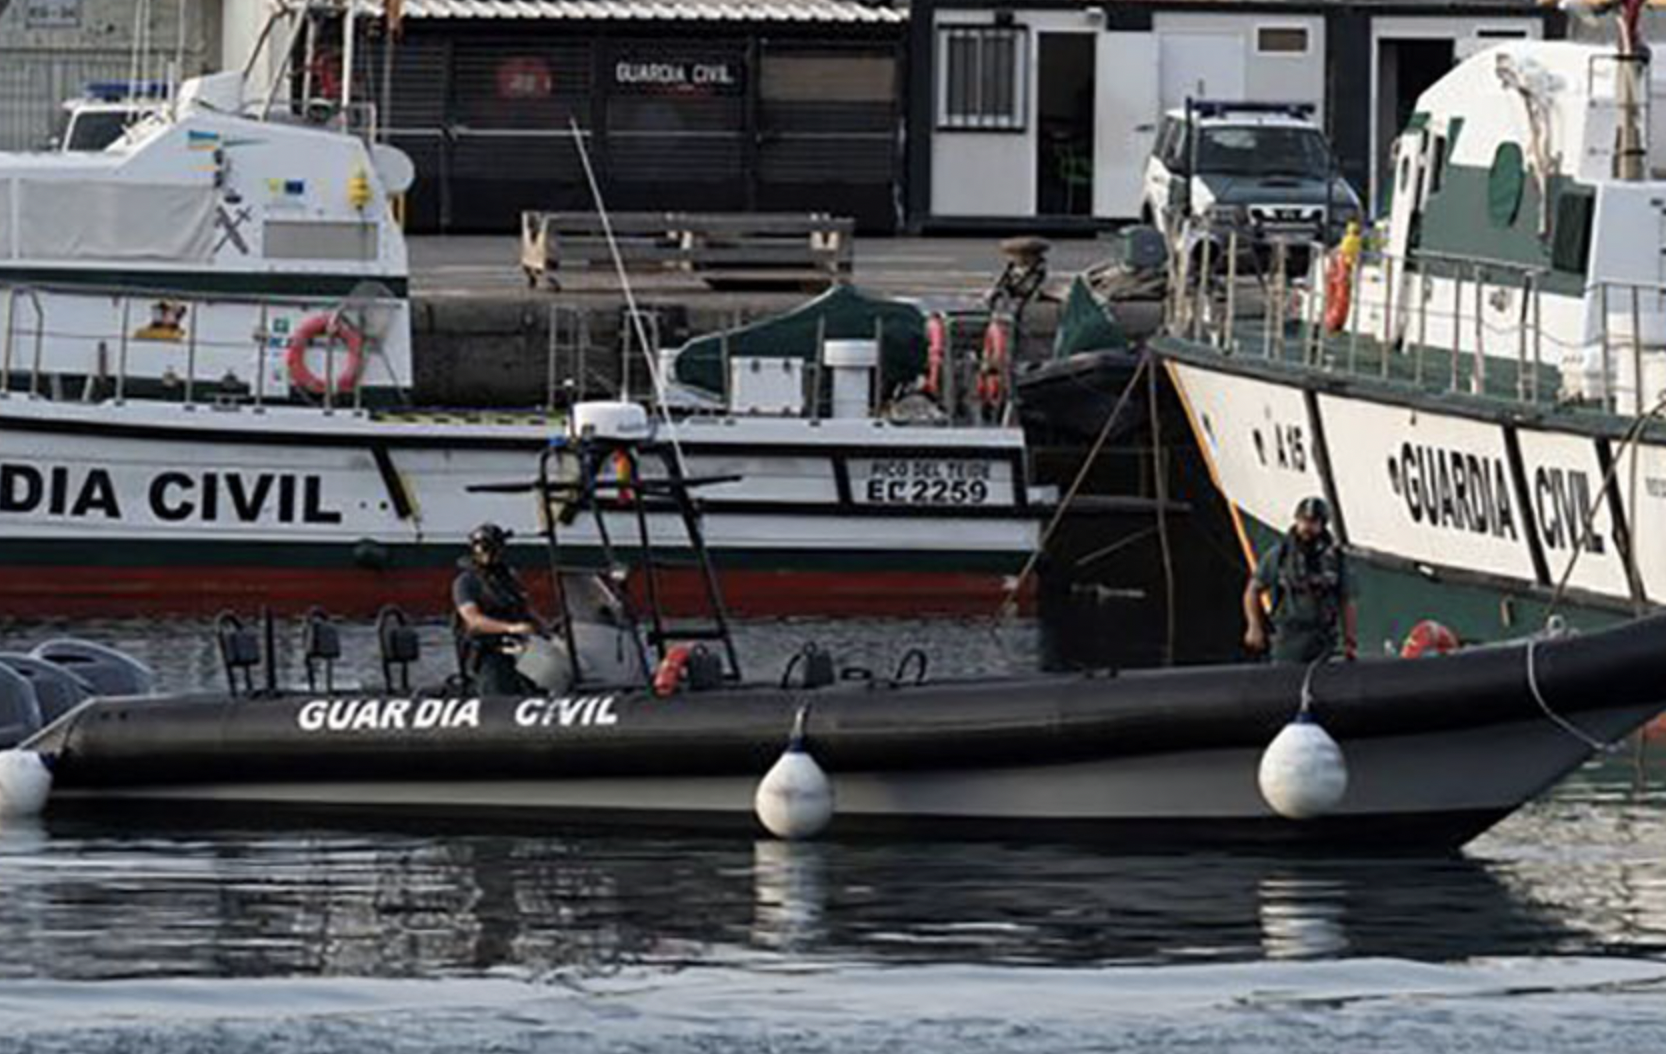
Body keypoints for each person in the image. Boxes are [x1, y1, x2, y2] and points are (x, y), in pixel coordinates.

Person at [1243, 496, 1358, 664]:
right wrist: (1254, 626)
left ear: (1322, 524)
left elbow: (1347, 600)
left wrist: (1349, 640)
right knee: (1284, 683)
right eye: (1303, 520)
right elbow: (1253, 590)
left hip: (1323, 639)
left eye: (1313, 522)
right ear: (1296, 520)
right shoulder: (1280, 554)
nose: (1307, 527)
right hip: (1288, 638)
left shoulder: (1335, 558)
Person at [453, 522, 539, 695]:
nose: (491, 553)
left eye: (495, 547)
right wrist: (510, 628)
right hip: (486, 654)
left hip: (518, 652)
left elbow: (525, 611)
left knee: (538, 686)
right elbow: (473, 620)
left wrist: (547, 630)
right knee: (498, 687)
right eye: (485, 547)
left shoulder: (507, 579)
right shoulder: (466, 582)